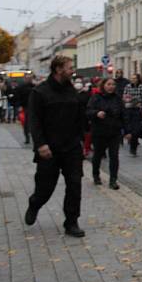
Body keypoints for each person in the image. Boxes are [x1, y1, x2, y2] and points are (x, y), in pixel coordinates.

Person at [24, 56, 87, 237]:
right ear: (58, 69)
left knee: (75, 184)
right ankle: (35, 203)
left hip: (72, 147)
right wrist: (41, 144)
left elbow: (79, 117)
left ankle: (71, 222)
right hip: (49, 148)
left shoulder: (72, 91)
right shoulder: (40, 92)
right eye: (69, 67)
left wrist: (81, 139)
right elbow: (34, 122)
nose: (72, 70)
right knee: (46, 187)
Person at [86, 78, 125, 189]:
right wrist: (97, 113)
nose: (111, 86)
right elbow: (88, 111)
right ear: (103, 85)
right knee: (98, 155)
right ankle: (96, 175)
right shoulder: (96, 98)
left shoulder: (117, 98)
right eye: (109, 84)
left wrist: (127, 130)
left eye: (113, 84)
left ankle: (113, 180)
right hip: (99, 131)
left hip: (114, 132)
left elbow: (123, 114)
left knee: (114, 156)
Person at [122, 73, 142, 155]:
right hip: (129, 108)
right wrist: (130, 100)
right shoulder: (128, 86)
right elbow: (125, 96)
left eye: (135, 78)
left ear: (138, 79)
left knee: (136, 129)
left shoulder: (141, 87)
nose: (133, 80)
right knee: (130, 127)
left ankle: (134, 146)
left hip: (137, 109)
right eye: (132, 78)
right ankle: (132, 145)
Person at [121, 92, 142, 157]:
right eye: (138, 103)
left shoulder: (139, 110)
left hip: (137, 127)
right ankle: (132, 150)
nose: (140, 104)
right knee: (133, 139)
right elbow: (127, 120)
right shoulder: (129, 110)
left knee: (135, 140)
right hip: (132, 127)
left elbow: (141, 118)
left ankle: (134, 150)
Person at [15, 74, 34, 144]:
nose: (29, 79)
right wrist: (19, 105)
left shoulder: (34, 86)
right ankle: (27, 138)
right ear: (25, 79)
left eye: (30, 78)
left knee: (33, 123)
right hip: (25, 107)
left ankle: (32, 136)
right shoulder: (21, 87)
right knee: (25, 123)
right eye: (27, 78)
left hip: (33, 107)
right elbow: (18, 97)